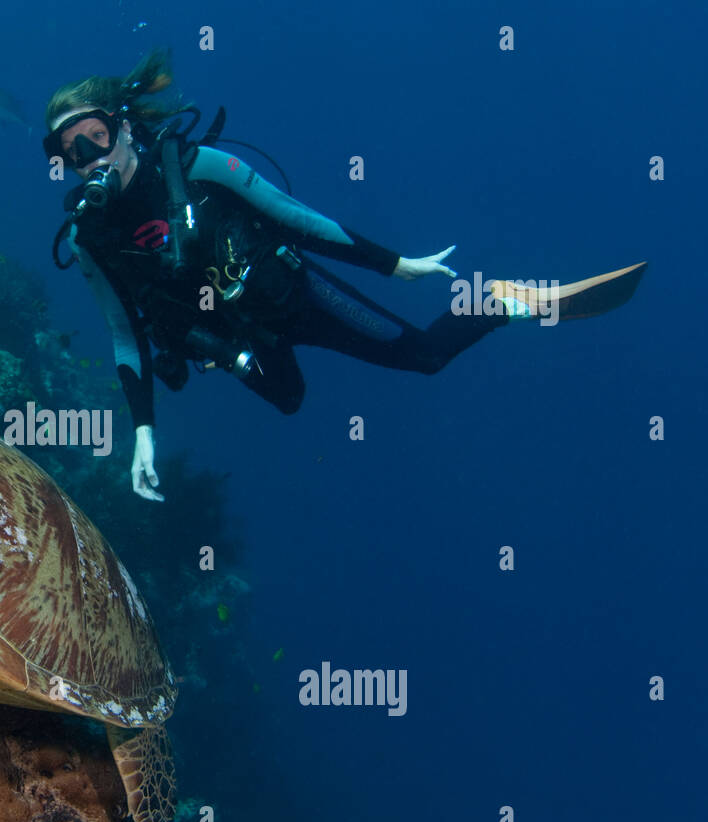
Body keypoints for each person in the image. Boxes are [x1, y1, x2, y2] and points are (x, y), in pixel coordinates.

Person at [44, 50, 646, 501]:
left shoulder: (196, 166)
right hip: (240, 340)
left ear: (124, 126)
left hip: (297, 296)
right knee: (291, 402)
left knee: (426, 357)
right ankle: (258, 356)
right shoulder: (88, 238)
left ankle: (498, 302)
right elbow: (125, 334)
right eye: (71, 152)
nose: (90, 159)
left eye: (96, 137)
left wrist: (394, 263)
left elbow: (298, 220)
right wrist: (144, 432)